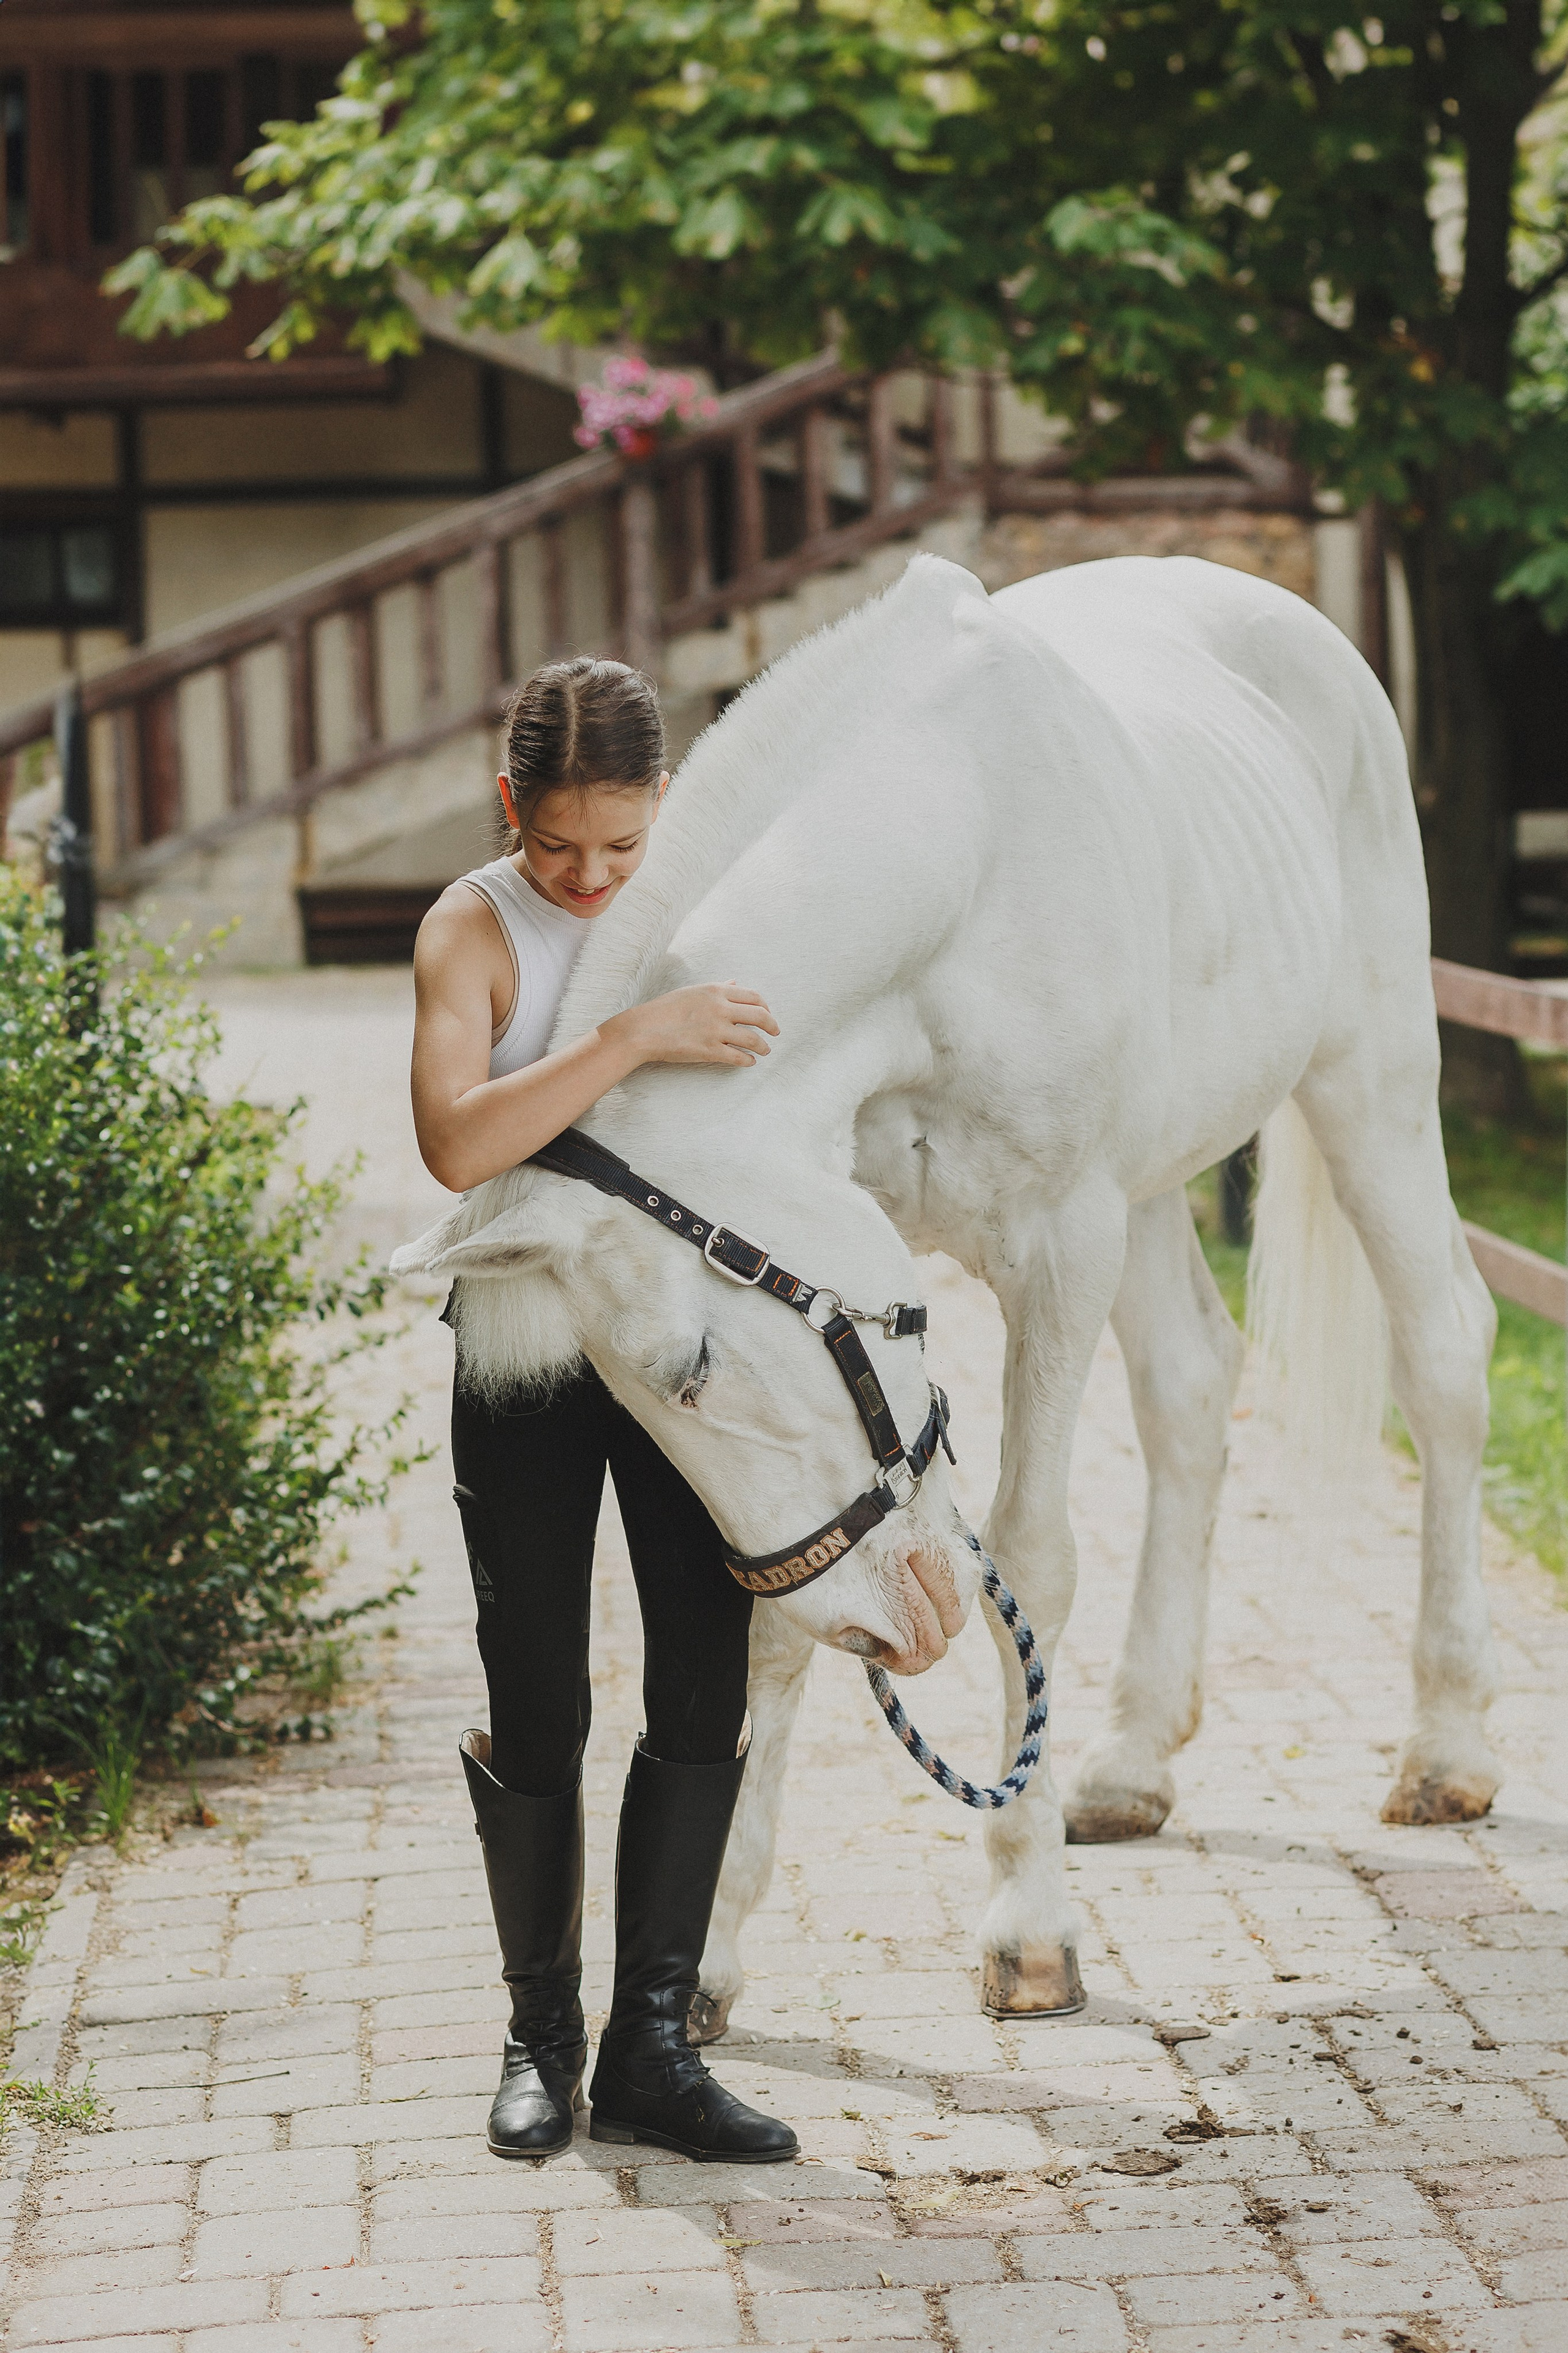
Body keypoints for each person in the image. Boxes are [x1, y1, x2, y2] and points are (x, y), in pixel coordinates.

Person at [410, 656, 797, 2166]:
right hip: (522, 1342)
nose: (585, 877)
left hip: (682, 1346)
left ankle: (649, 2047)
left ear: (664, 816)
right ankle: (537, 2040)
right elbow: (456, 1141)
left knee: (705, 1679)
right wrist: (631, 1035)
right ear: (511, 803)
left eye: (620, 848)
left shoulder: (705, 917)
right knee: (539, 1693)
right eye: (556, 842)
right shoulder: (472, 923)